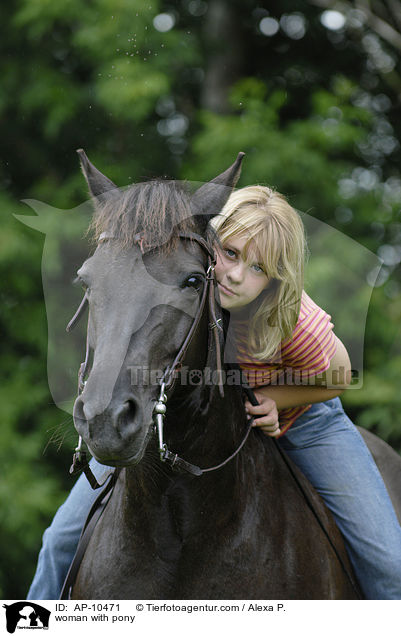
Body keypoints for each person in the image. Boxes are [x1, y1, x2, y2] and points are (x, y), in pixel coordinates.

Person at [27, 185, 401, 601]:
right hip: (217, 410)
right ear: (210, 243)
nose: (236, 274)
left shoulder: (291, 316)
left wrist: (280, 399)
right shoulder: (196, 277)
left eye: (259, 268)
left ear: (277, 278)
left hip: (306, 415)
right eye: (232, 253)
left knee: (389, 563)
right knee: (59, 540)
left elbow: (340, 374)